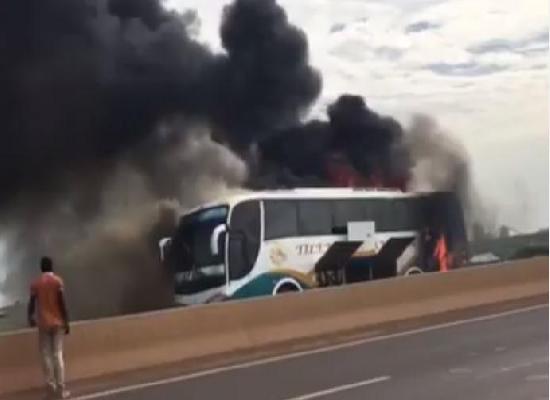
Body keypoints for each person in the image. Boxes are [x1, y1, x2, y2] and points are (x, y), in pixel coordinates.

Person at [28, 256, 70, 399]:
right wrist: (67, 321)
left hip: (43, 323)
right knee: (57, 354)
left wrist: (30, 318)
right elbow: (62, 303)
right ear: (52, 267)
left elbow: (32, 303)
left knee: (46, 356)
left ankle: (50, 390)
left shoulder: (36, 284)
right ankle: (60, 389)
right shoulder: (57, 281)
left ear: (41, 268)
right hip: (58, 323)